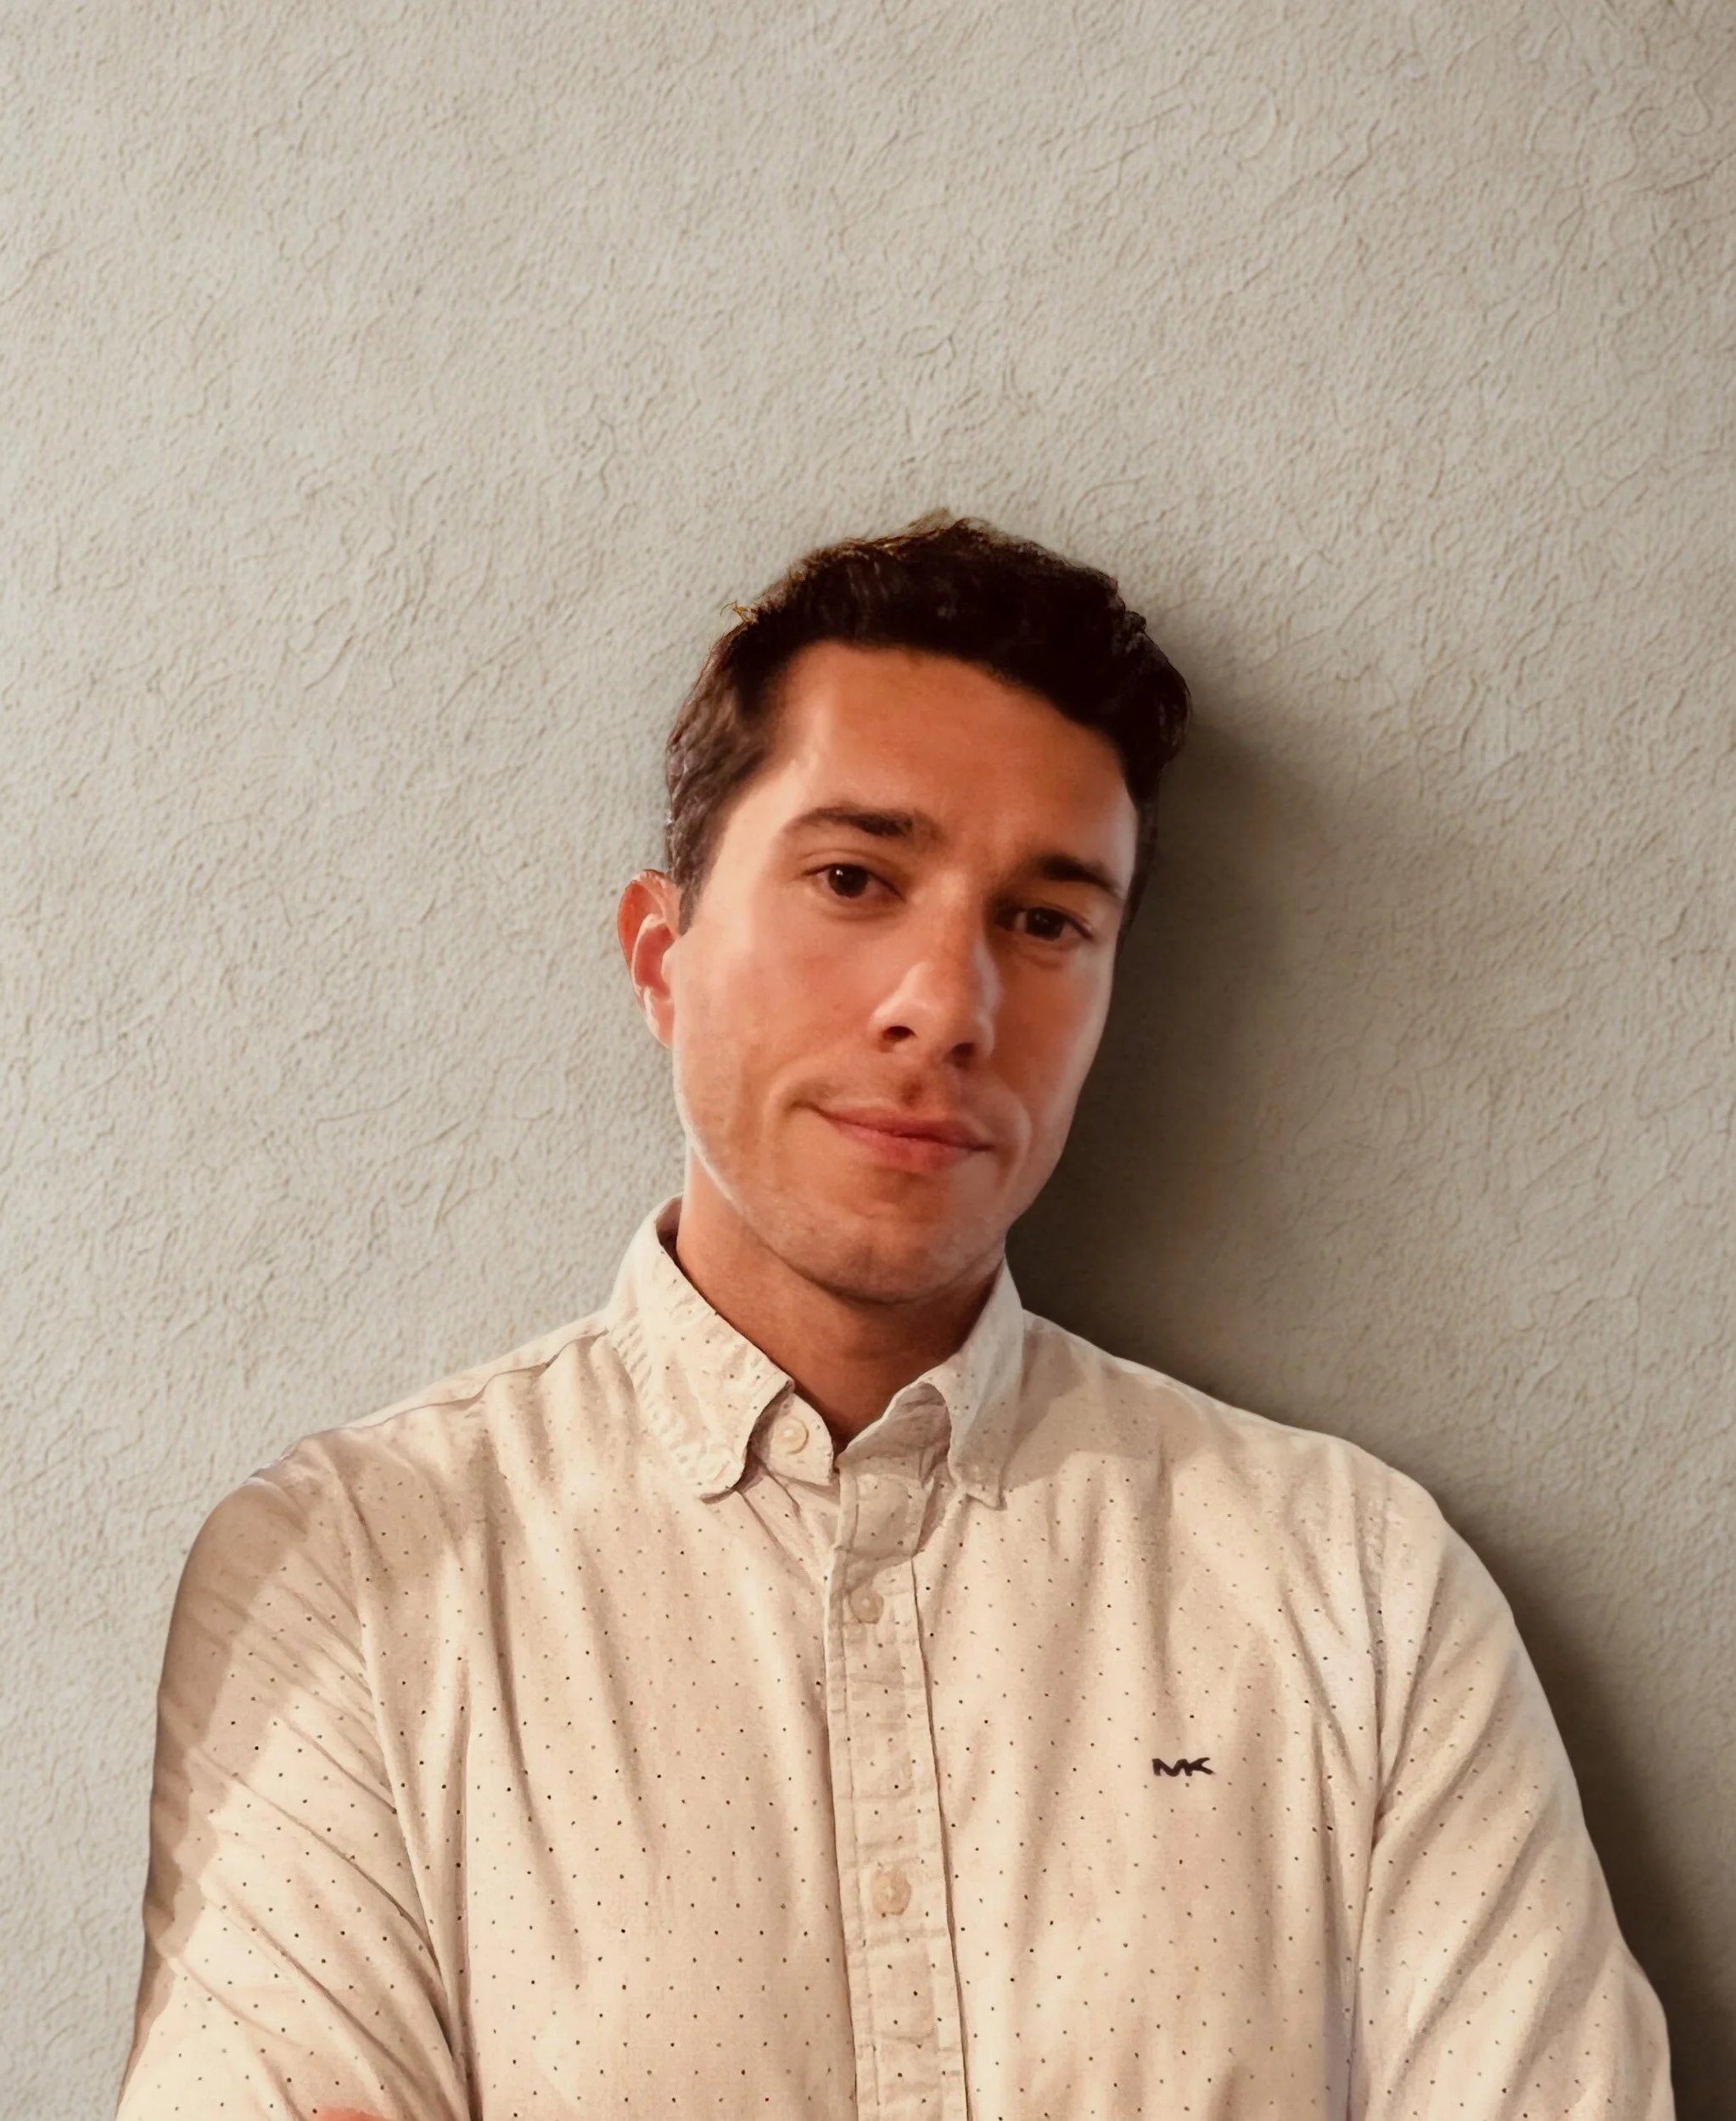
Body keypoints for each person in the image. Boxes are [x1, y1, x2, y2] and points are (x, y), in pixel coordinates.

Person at [115, 518, 1672, 2120]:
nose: (947, 1006)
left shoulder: (1356, 1592)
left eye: (1045, 920)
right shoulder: (356, 1579)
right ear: (661, 959)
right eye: (853, 878)